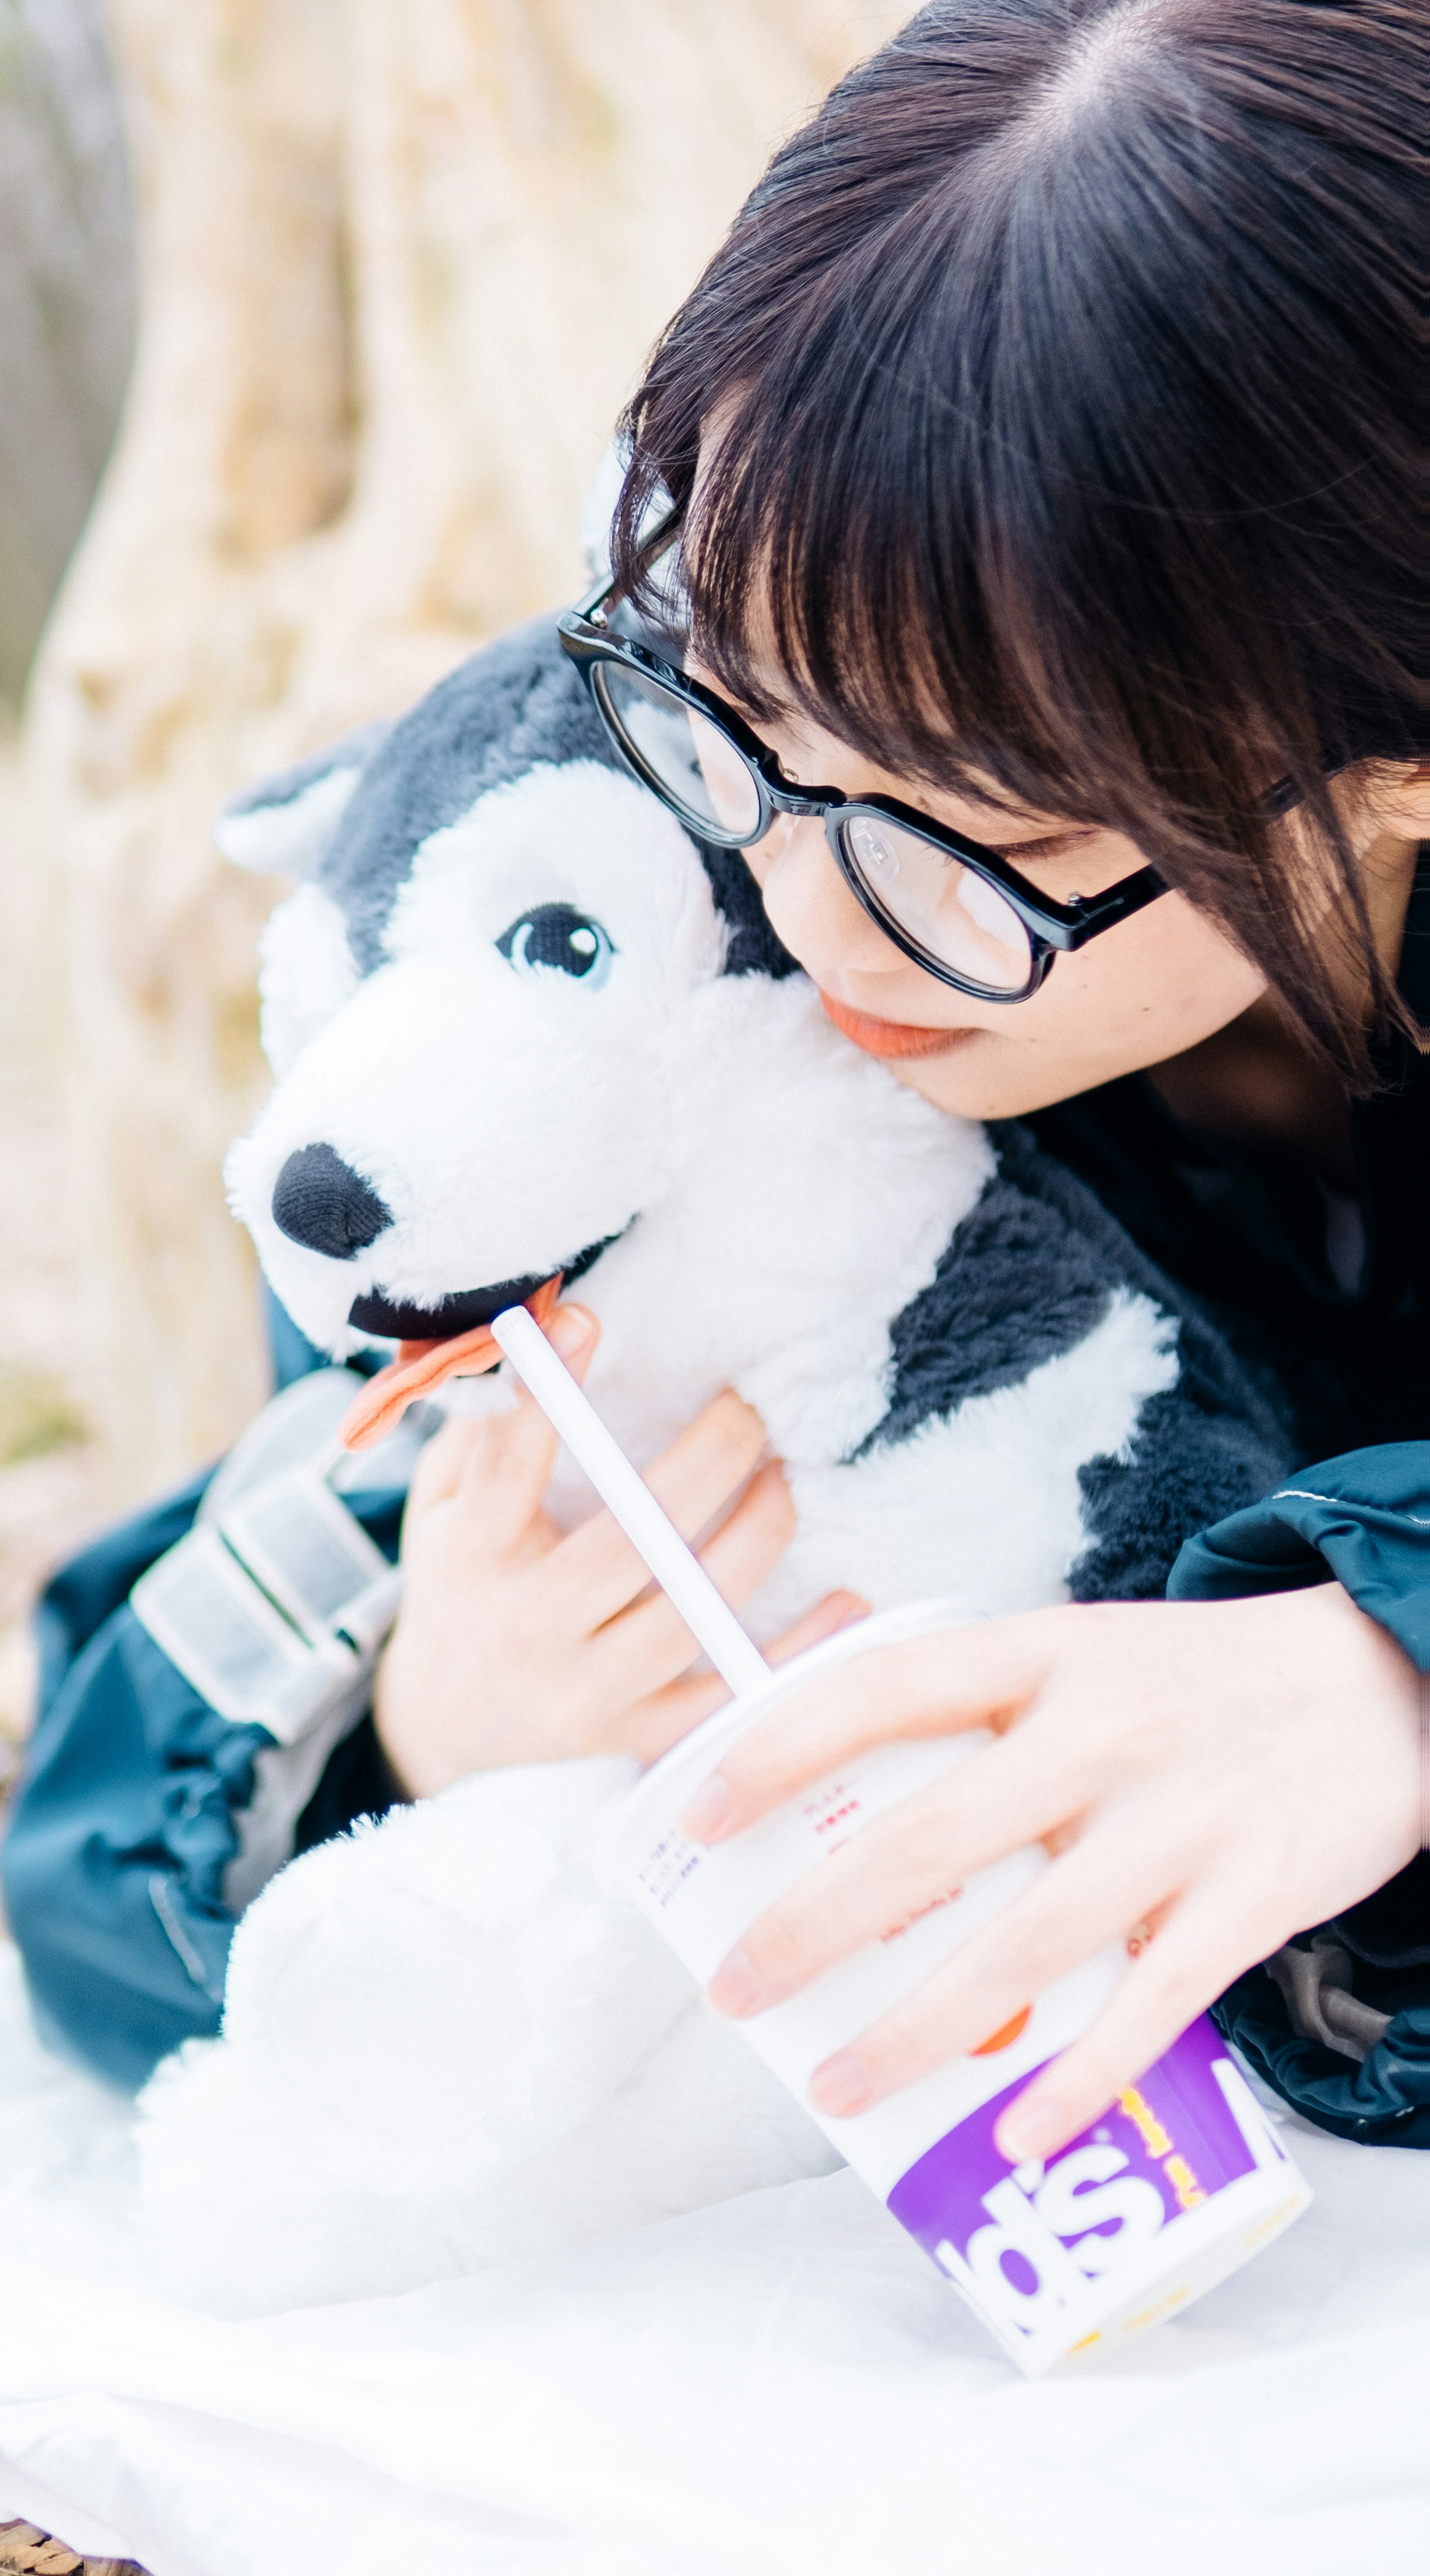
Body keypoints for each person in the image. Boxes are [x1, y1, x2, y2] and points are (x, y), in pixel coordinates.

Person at [368, 0, 1429, 2164]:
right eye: (745, 724)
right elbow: (160, 1664)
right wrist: (407, 1723)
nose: (822, 917)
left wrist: (1390, 1658)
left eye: (991, 841)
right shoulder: (635, 888)